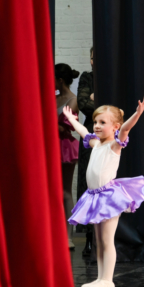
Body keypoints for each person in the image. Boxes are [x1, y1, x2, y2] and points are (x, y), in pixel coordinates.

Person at [63, 95, 144, 287]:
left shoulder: (114, 145)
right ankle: (100, 278)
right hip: (94, 196)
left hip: (108, 197)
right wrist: (72, 120)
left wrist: (137, 114)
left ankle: (108, 280)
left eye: (102, 122)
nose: (97, 126)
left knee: (107, 240)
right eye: (96, 122)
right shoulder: (96, 144)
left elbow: (125, 129)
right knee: (99, 241)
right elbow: (83, 132)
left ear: (115, 127)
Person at [55, 63, 80, 250]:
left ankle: (68, 236)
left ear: (60, 80)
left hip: (64, 147)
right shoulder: (54, 97)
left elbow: (63, 128)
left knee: (65, 191)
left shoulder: (73, 100)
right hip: (51, 145)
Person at [77, 47, 95, 257]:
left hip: (111, 135)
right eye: (91, 58)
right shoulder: (87, 78)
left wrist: (95, 100)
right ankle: (89, 237)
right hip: (91, 135)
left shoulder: (114, 77)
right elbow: (83, 103)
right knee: (89, 184)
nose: (93, 61)